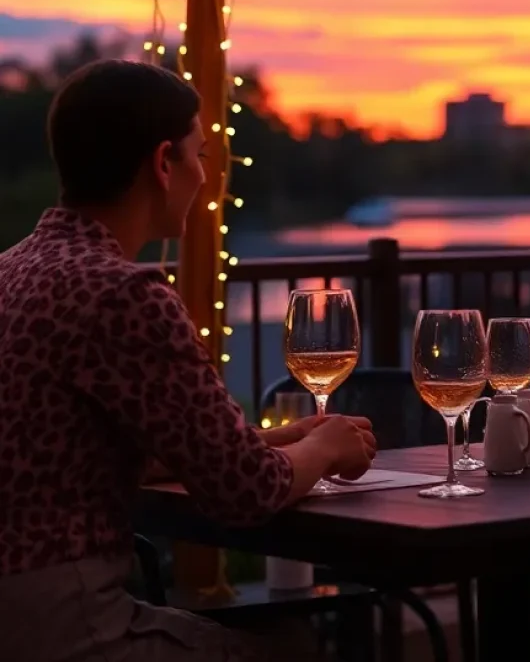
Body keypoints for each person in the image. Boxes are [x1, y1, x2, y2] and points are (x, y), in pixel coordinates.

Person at [0, 60, 377, 661]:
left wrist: (285, 439)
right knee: (296, 651)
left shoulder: (13, 268)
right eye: (200, 155)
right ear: (161, 163)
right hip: (59, 621)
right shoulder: (124, 295)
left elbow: (145, 452)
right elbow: (243, 491)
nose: (205, 175)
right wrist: (327, 449)